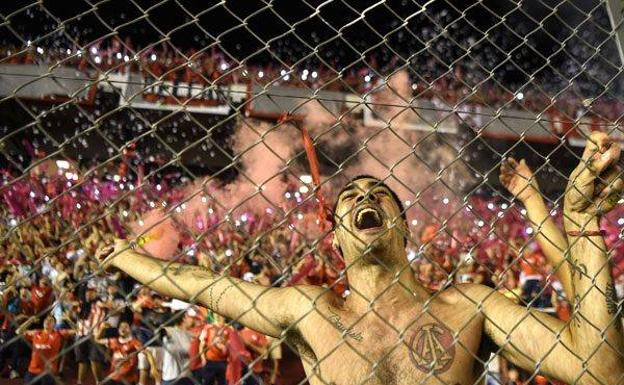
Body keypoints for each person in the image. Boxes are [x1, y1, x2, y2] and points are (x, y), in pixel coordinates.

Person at [97, 132, 624, 385]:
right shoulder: (311, 312)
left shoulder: (471, 308)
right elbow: (204, 285)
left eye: (379, 197)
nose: (365, 199)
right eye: (350, 199)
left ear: (401, 227)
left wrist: (581, 224)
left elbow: (600, 368)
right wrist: (126, 256)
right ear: (338, 239)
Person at [95, 320, 160, 385]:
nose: (123, 328)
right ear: (118, 330)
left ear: (130, 330)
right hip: (114, 377)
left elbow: (148, 352)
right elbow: (97, 339)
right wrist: (102, 328)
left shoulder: (134, 343)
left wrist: (153, 367)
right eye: (121, 327)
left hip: (128, 379)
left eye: (126, 327)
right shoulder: (114, 341)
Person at [17, 314, 76, 385]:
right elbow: (18, 331)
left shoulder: (59, 334)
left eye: (50, 320)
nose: (47, 321)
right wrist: (30, 321)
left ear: (54, 324)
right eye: (46, 320)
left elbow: (77, 330)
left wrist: (68, 320)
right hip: (32, 371)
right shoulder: (36, 333)